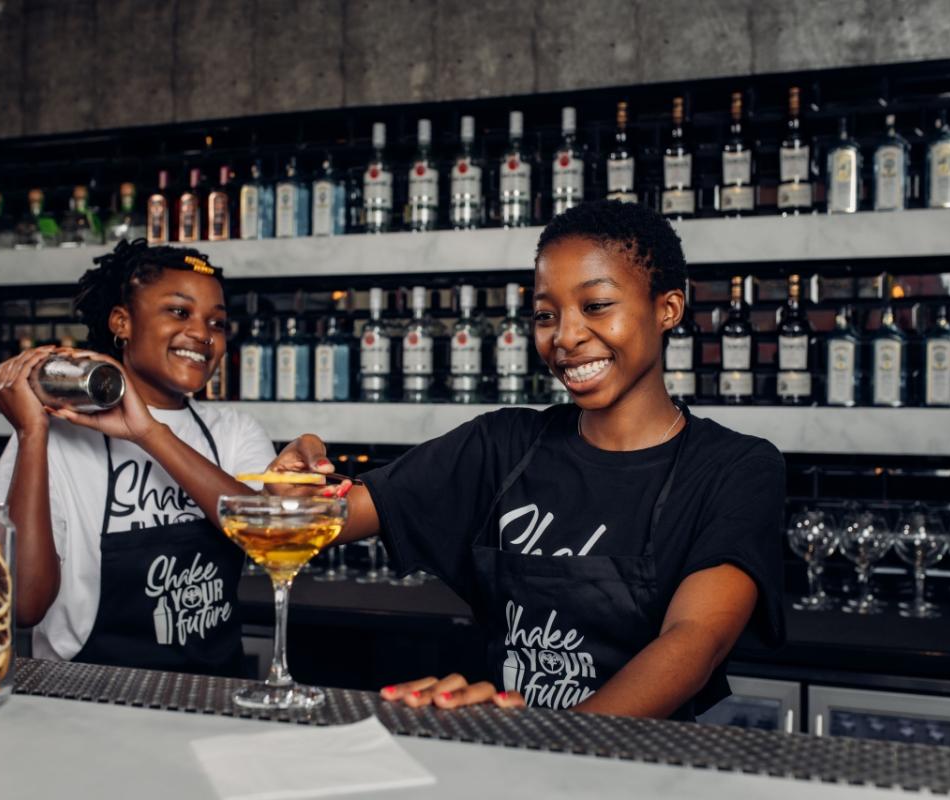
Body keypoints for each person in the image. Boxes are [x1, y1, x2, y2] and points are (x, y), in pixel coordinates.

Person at [272, 200, 786, 719]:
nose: (564, 336)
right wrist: (293, 481)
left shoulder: (735, 468)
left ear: (667, 309)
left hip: (645, 770)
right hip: (508, 753)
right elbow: (312, 523)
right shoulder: (502, 445)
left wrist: (552, 746)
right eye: (546, 314)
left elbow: (693, 643)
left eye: (596, 306)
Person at [0, 239, 275, 675]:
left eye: (216, 322)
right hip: (88, 697)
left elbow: (266, 535)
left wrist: (147, 433)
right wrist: (31, 432)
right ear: (122, 322)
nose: (202, 333)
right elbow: (22, 606)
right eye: (179, 312)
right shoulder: (55, 438)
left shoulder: (233, 432)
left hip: (213, 696)